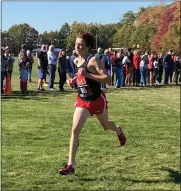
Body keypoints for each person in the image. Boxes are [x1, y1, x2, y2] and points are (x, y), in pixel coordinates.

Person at [58, 32, 126, 175]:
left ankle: (118, 130)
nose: (77, 47)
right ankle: (71, 165)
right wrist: (74, 81)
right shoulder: (74, 60)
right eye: (76, 44)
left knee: (106, 126)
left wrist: (88, 75)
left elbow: (108, 79)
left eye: (81, 44)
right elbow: (80, 76)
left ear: (88, 47)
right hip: (83, 100)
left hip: (96, 99)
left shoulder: (93, 60)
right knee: (75, 130)